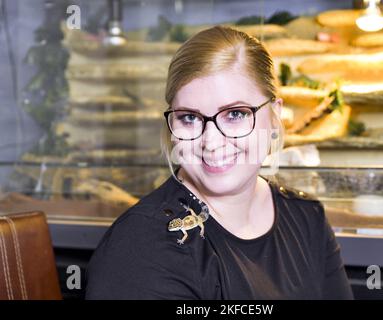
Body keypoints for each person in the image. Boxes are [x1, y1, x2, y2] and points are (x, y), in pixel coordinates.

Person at [85, 26, 353, 300]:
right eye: (189, 117)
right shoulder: (142, 247)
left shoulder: (307, 217)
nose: (211, 142)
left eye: (235, 114)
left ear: (275, 117)